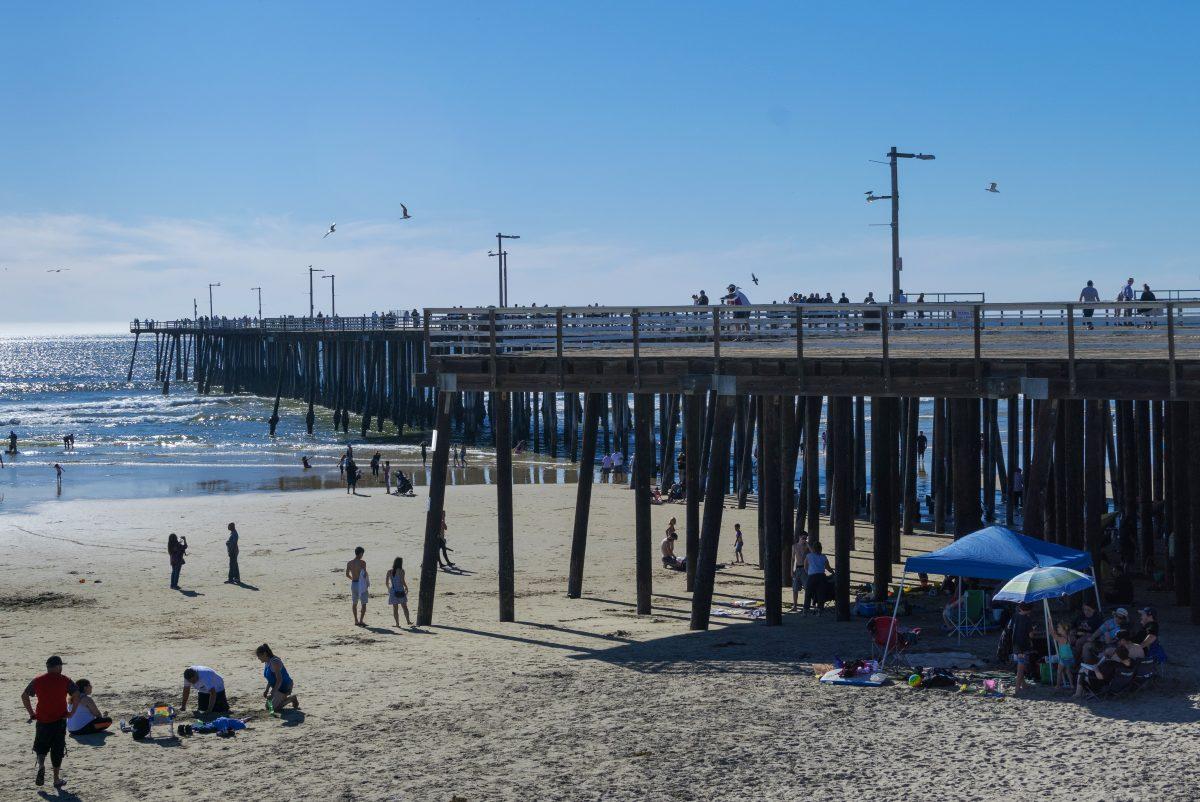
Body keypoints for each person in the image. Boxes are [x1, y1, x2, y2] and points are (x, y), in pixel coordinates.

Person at [21, 655, 77, 789]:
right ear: (58, 666)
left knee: (41, 746)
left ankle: (41, 766)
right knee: (57, 749)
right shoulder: (65, 680)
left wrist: (31, 713)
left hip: (42, 720)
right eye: (61, 666)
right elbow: (76, 695)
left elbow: (24, 695)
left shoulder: (38, 680)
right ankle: (56, 779)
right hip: (59, 720)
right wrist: (72, 712)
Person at [255, 644, 298, 713]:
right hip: (277, 687)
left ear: (265, 654)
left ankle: (292, 698)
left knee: (274, 709)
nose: (258, 658)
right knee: (268, 707)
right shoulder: (267, 662)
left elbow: (279, 680)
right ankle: (282, 698)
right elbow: (270, 678)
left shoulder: (275, 662)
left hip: (285, 686)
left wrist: (273, 693)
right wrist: (267, 690)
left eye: (259, 656)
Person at [802, 540, 834, 614]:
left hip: (812, 576)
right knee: (820, 593)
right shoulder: (823, 556)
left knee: (808, 593)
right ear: (820, 548)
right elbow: (827, 567)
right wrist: (833, 572)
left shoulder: (809, 556)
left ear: (813, 548)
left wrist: (808, 573)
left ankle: (805, 610)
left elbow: (805, 566)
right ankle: (820, 611)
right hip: (821, 576)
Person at [1010, 603, 1034, 694]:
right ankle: (1017, 688)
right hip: (1023, 645)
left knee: (1021, 665)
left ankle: (1023, 685)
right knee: (1020, 667)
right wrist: (1033, 630)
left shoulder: (1015, 616)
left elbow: (1011, 628)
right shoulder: (1027, 619)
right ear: (1029, 610)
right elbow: (1031, 635)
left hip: (1015, 644)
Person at [346, 547, 369, 626]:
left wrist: (353, 578)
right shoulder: (363, 562)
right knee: (363, 603)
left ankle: (356, 620)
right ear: (360, 553)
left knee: (354, 603)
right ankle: (361, 620)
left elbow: (347, 575)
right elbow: (364, 574)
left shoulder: (349, 563)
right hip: (361, 584)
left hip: (354, 583)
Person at [386, 557, 412, 626]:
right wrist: (406, 587)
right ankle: (408, 621)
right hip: (400, 589)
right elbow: (402, 581)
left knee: (395, 608)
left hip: (393, 591)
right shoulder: (402, 571)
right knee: (404, 607)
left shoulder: (389, 571)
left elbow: (386, 582)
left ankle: (397, 624)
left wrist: (389, 589)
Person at [1050, 624, 1076, 691]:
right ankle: (1072, 685)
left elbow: (1052, 634)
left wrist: (1050, 624)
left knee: (1059, 672)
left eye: (1059, 627)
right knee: (1068, 672)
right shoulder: (1068, 637)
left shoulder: (1061, 639)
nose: (1057, 628)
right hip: (1070, 657)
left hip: (1064, 658)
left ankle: (1057, 686)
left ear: (1064, 630)